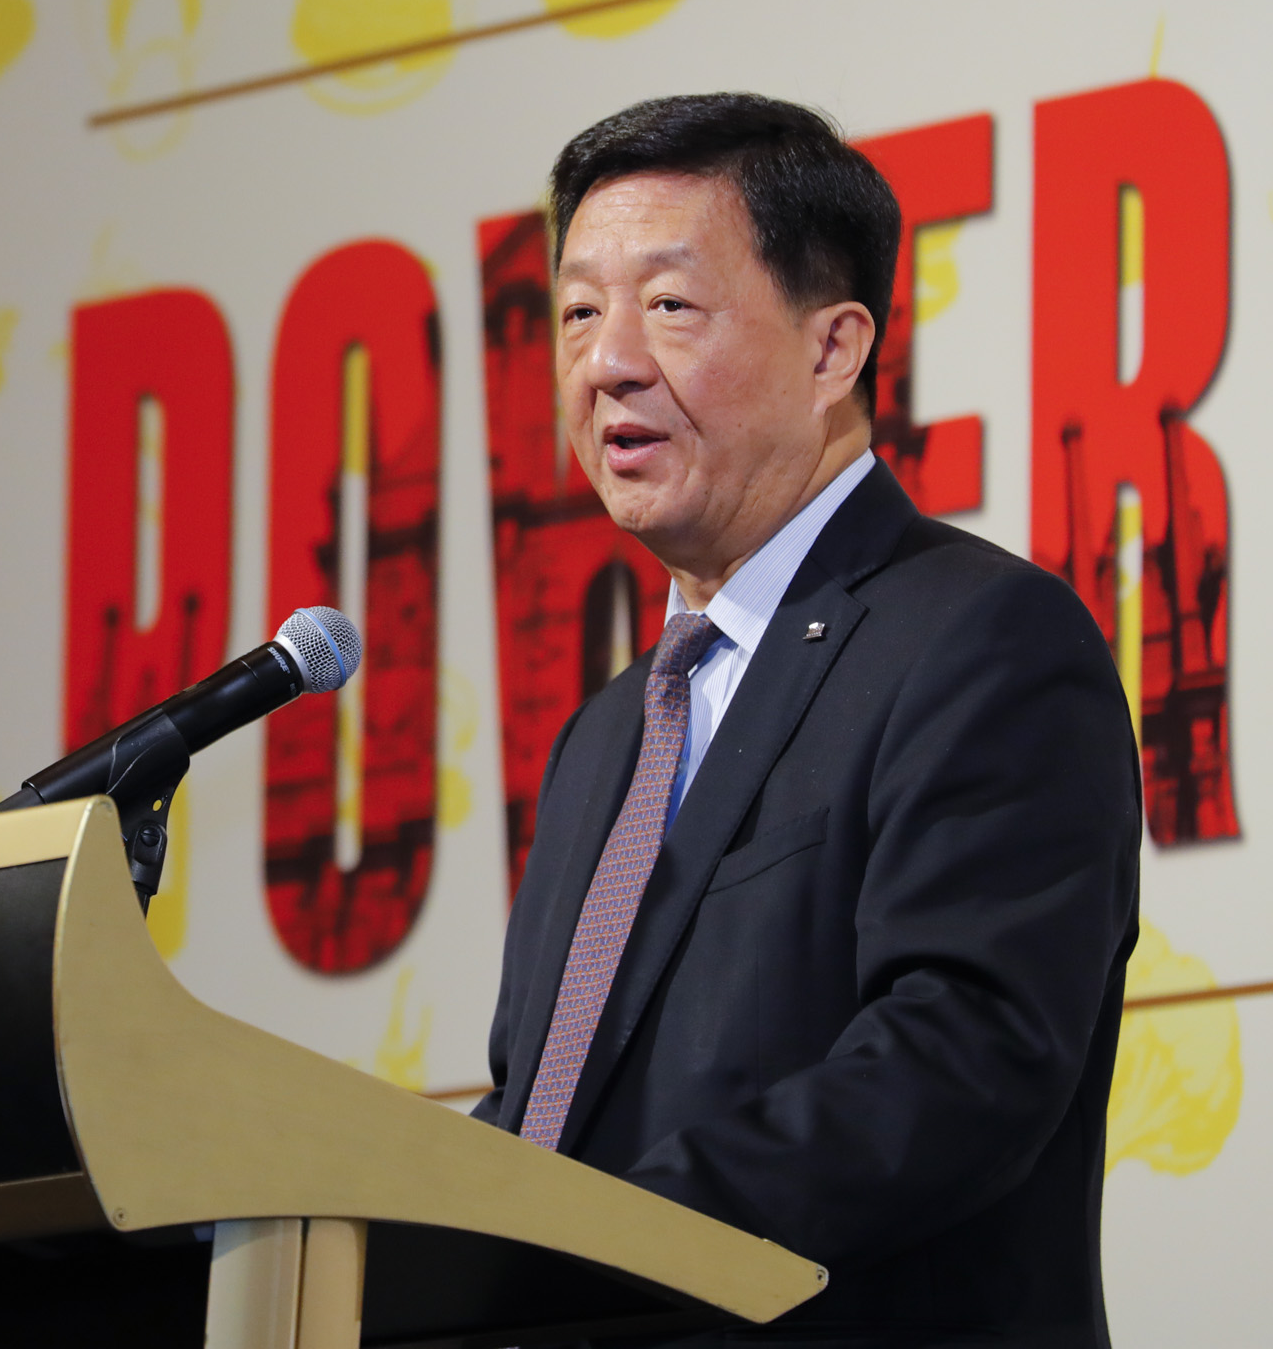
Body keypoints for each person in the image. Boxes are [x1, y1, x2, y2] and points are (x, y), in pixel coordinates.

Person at [470, 94, 1140, 1347]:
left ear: (834, 350)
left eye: (670, 304)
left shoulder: (983, 639)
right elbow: (542, 1110)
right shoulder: (603, 738)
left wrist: (592, 1243)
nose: (607, 361)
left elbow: (965, 1055)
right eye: (577, 313)